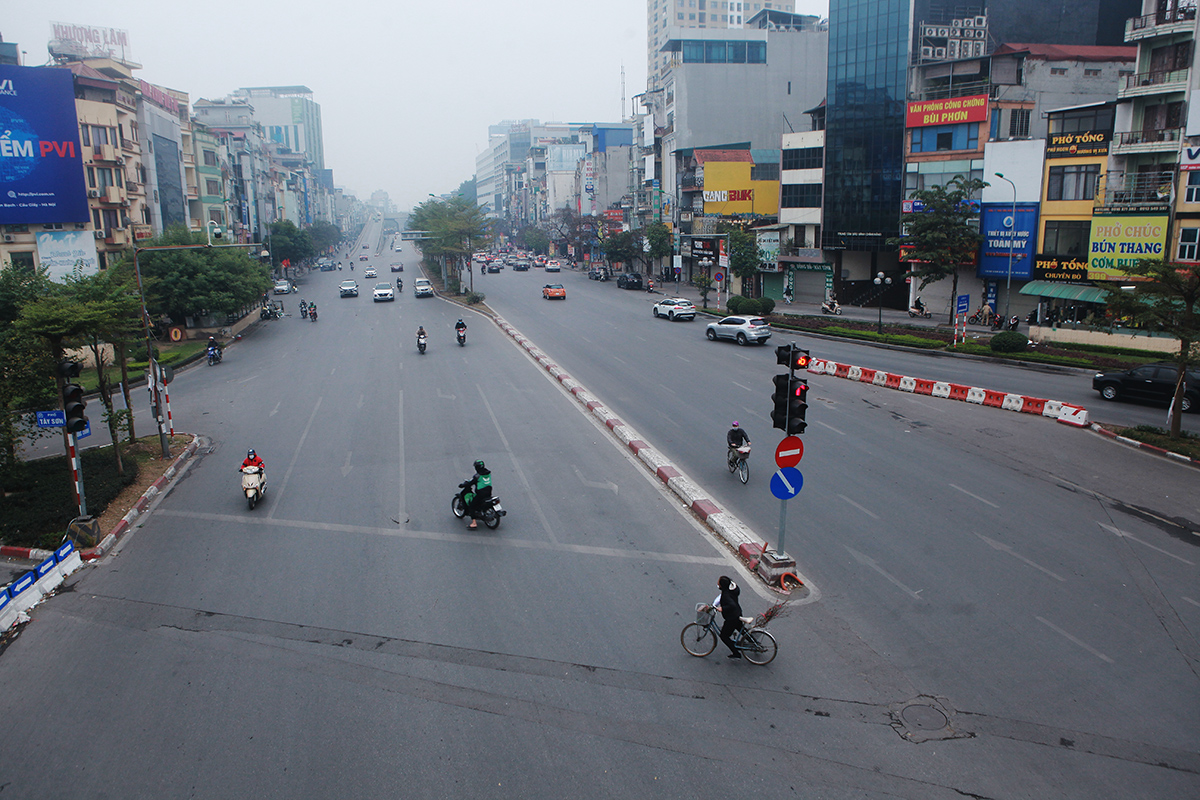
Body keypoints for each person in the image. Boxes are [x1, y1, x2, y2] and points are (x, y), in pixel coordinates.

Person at [714, 575, 744, 658]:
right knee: (741, 629)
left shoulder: (726, 595)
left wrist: (723, 608)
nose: (718, 584)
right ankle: (753, 641)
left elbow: (732, 605)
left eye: (719, 583)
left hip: (732, 618)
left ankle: (736, 653)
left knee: (724, 636)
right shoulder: (733, 589)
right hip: (738, 613)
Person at [461, 460, 493, 529]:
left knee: (472, 506)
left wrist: (464, 485)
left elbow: (471, 483)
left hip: (481, 494)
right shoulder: (488, 473)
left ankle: (474, 523)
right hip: (489, 493)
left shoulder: (477, 476)